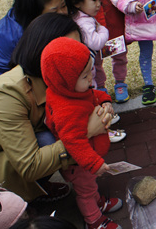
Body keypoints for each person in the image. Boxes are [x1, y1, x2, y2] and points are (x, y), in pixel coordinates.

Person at [0, 13, 113, 202]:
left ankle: (40, 187)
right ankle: (12, 199)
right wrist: (84, 132)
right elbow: (29, 165)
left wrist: (104, 106)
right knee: (47, 140)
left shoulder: (59, 82)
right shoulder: (6, 94)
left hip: (22, 152)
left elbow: (88, 100)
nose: (75, 54)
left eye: (78, 47)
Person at [41, 37, 123, 229]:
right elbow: (73, 141)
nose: (90, 79)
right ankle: (93, 220)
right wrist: (94, 163)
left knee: (90, 184)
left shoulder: (72, 90)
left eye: (90, 72)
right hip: (79, 162)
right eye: (85, 76)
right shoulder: (66, 109)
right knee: (85, 191)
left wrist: (105, 101)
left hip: (87, 156)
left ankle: (98, 202)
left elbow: (92, 94)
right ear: (66, 80)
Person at [63, 0, 124, 141]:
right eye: (94, 0)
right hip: (84, 69)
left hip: (84, 66)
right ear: (77, 2)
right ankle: (103, 128)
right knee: (92, 95)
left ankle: (103, 118)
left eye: (100, 0)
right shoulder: (85, 22)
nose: (99, 5)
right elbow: (96, 42)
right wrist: (103, 30)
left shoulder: (77, 16)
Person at [0, 0, 66, 82]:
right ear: (34, 14)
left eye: (64, 5)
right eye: (54, 11)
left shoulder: (21, 15)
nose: (63, 13)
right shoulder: (25, 37)